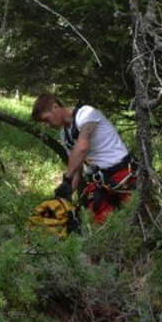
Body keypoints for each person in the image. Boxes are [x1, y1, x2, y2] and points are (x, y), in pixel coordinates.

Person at [31, 93, 137, 224]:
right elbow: (77, 168)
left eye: (46, 119)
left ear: (55, 107)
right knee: (101, 226)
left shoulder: (86, 114)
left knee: (138, 219)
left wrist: (66, 180)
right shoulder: (65, 135)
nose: (47, 125)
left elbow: (82, 147)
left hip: (124, 175)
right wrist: (66, 193)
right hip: (101, 183)